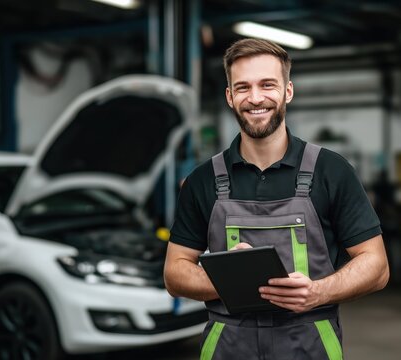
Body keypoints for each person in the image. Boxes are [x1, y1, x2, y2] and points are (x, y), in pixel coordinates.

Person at [164, 38, 389, 360]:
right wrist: (230, 279)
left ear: (288, 91)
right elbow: (174, 272)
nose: (255, 98)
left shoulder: (331, 170)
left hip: (309, 342)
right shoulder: (203, 180)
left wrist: (317, 292)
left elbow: (377, 265)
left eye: (267, 85)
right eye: (243, 87)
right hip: (228, 344)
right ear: (229, 96)